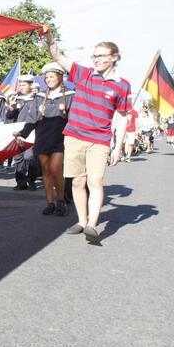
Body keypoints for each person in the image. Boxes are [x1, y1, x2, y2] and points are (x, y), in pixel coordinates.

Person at [43, 27, 131, 242]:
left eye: (101, 56)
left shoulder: (122, 85)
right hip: (74, 136)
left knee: (96, 181)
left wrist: (117, 147)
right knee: (77, 182)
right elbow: (58, 55)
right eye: (95, 55)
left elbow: (121, 117)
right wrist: (49, 38)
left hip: (99, 140)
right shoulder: (82, 74)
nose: (96, 59)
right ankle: (82, 221)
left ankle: (92, 225)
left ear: (114, 57)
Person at [14, 63, 75, 217]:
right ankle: (50, 203)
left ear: (60, 77)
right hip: (42, 138)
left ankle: (61, 201)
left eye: (51, 76)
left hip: (60, 138)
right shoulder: (40, 97)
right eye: (46, 77)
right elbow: (32, 118)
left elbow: (74, 119)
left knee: (55, 169)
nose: (48, 79)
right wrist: (23, 133)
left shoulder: (70, 95)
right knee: (46, 171)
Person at [4, 74, 42, 190]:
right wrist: (11, 109)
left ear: (31, 85)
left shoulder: (38, 99)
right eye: (20, 85)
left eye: (24, 85)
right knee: (18, 158)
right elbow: (9, 118)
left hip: (32, 133)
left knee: (30, 157)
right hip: (18, 134)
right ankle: (21, 182)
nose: (21, 87)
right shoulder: (16, 98)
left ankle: (31, 181)